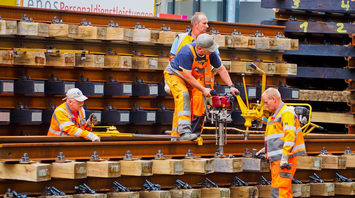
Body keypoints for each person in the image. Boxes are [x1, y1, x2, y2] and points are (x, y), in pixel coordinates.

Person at [164, 33, 239, 141]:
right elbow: (188, 76)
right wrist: (203, 89)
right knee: (183, 95)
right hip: (174, 75)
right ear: (200, 49)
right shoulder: (187, 52)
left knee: (183, 104)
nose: (212, 51)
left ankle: (176, 136)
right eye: (209, 50)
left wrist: (231, 86)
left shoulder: (210, 53)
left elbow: (221, 69)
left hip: (187, 79)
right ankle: (184, 132)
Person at [166, 12, 221, 138]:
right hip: (185, 79)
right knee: (183, 104)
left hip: (202, 83)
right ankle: (178, 135)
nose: (207, 26)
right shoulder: (181, 39)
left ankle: (193, 136)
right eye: (204, 23)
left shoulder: (209, 41)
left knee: (199, 110)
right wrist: (168, 82)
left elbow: (218, 63)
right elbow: (173, 61)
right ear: (195, 25)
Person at [261, 88, 306, 198]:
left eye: (266, 102)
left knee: (279, 191)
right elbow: (276, 137)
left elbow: (290, 136)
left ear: (273, 99)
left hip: (284, 160)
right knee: (283, 191)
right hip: (279, 160)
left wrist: (285, 156)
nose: (265, 106)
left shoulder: (286, 113)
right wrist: (265, 150)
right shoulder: (278, 115)